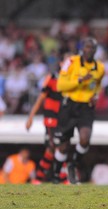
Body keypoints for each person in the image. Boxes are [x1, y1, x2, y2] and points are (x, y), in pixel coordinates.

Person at [53, 37, 105, 184]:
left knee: (85, 139)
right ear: (82, 48)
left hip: (86, 108)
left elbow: (98, 85)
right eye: (87, 47)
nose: (89, 50)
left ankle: (72, 164)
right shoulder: (70, 62)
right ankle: (56, 175)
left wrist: (96, 95)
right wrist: (80, 80)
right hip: (69, 105)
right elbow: (60, 85)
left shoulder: (100, 68)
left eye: (92, 48)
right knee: (63, 145)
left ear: (95, 51)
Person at [25, 54, 71, 184]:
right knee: (57, 145)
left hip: (63, 118)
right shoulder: (52, 78)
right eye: (68, 61)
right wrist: (30, 117)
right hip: (51, 117)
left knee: (51, 149)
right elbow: (40, 98)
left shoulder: (71, 80)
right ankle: (63, 178)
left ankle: (38, 178)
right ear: (61, 63)